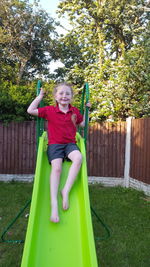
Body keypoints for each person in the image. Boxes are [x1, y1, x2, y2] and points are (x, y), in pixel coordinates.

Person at [27, 83, 90, 223]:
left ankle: (65, 190)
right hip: (55, 145)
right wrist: (40, 96)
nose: (64, 96)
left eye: (67, 93)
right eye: (61, 93)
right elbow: (30, 110)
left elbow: (83, 124)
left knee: (79, 158)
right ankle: (54, 204)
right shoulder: (49, 110)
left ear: (72, 97)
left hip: (70, 144)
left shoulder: (74, 112)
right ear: (55, 96)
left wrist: (86, 110)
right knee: (57, 169)